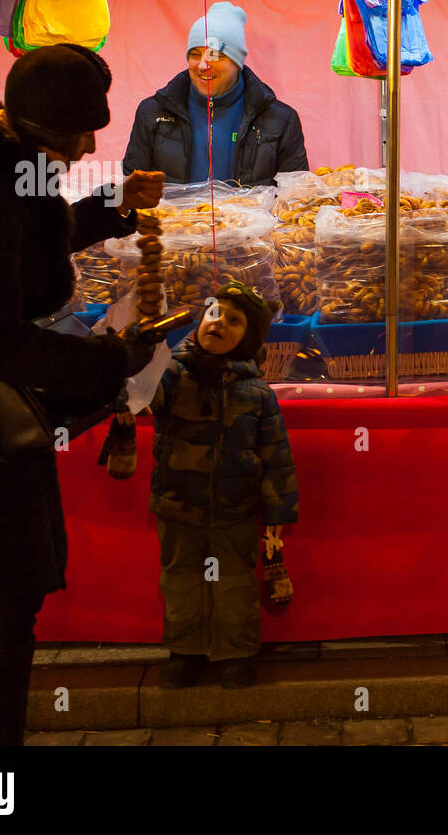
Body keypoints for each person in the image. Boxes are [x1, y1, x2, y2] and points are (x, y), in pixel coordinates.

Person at [0, 44, 164, 746]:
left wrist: (111, 206)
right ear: (47, 133)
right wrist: (112, 361)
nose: (91, 147)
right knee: (7, 595)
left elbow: (27, 242)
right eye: (82, 135)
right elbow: (0, 343)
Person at [144, 280, 299, 689]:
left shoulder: (258, 393)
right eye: (214, 314)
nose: (220, 324)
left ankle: (237, 652)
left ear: (246, 340)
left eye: (234, 321)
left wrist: (278, 511)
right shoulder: (173, 375)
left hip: (237, 509)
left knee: (234, 582)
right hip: (180, 504)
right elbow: (146, 398)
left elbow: (275, 454)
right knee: (180, 579)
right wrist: (140, 356)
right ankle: (185, 650)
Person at [122, 1, 309, 186]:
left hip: (251, 218)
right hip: (173, 217)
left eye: (214, 55)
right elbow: (132, 192)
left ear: (237, 62)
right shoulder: (152, 113)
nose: (203, 65)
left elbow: (296, 199)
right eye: (195, 54)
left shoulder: (281, 119)